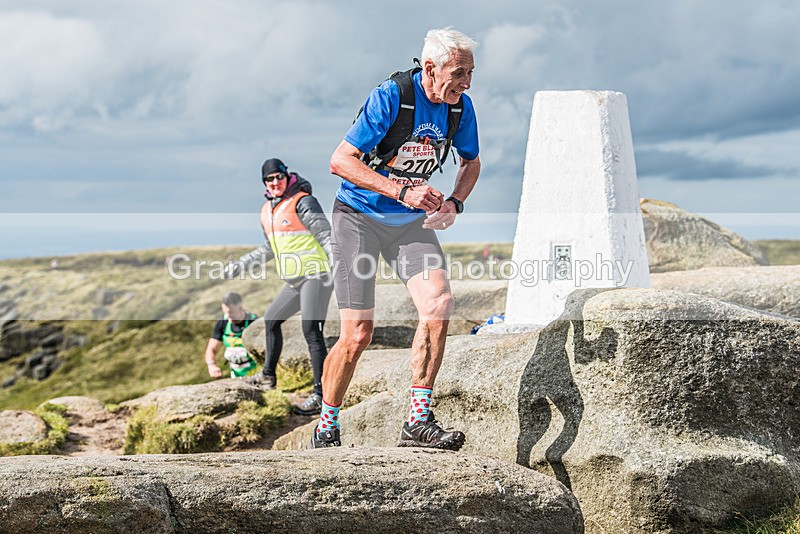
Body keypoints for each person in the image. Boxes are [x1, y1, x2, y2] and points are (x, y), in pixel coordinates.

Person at [311, 28, 481, 448]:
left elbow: (471, 162)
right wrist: (403, 190)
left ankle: (417, 420)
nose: (467, 82)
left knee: (439, 303)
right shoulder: (392, 97)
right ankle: (326, 424)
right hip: (358, 218)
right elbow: (339, 161)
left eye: (471, 73)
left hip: (409, 223)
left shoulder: (460, 109)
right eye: (459, 73)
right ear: (430, 68)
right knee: (357, 335)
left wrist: (454, 203)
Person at [226, 158, 333, 416]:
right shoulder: (268, 210)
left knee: (311, 331)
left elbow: (326, 236)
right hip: (295, 280)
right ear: (264, 183)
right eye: (269, 179)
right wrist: (241, 265)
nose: (275, 182)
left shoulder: (303, 201)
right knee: (271, 320)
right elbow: (269, 248)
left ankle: (321, 394)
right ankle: (267, 377)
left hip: (317, 276)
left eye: (279, 177)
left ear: (287, 176)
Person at [205, 292, 260, 379]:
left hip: (256, 372)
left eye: (231, 312)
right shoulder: (222, 322)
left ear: (240, 307)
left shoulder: (253, 322)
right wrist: (212, 366)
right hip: (235, 375)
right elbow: (211, 348)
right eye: (225, 312)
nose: (228, 316)